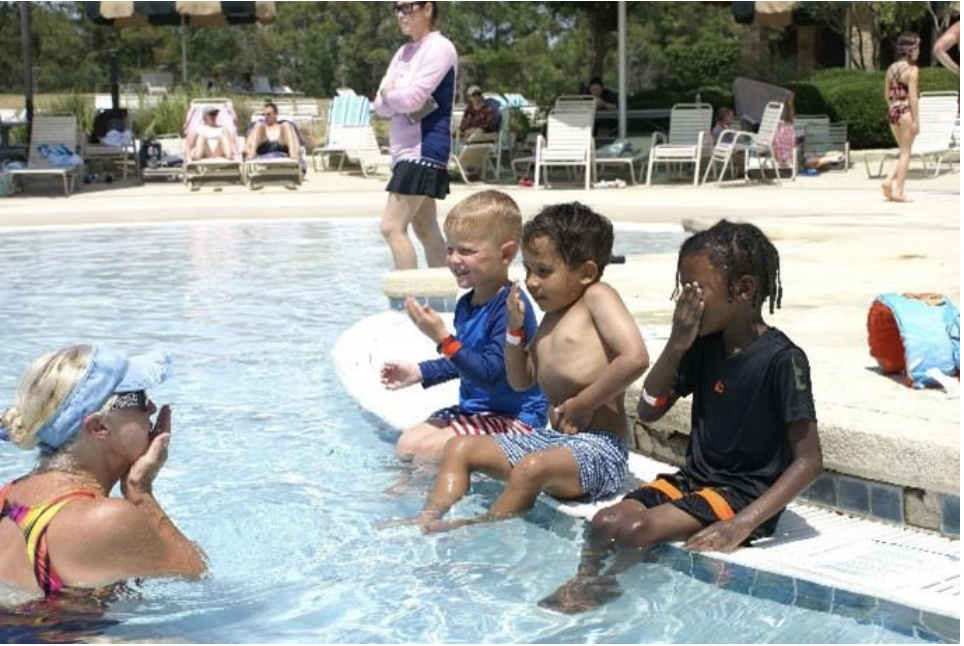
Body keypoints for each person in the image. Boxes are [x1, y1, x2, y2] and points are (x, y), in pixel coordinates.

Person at [540, 220, 823, 614]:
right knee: (605, 521)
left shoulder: (782, 359)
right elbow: (648, 410)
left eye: (696, 290)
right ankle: (587, 582)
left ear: (742, 289)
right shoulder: (700, 345)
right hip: (695, 480)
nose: (684, 303)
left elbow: (809, 462)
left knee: (636, 530)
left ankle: (606, 595)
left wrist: (741, 524)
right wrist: (676, 345)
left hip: (743, 494)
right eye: (682, 289)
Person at [383, 202, 650, 533]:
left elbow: (635, 357)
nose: (532, 282)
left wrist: (584, 404)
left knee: (530, 468)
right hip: (558, 444)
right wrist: (513, 331)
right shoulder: (551, 318)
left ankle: (479, 528)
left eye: (544, 271)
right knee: (459, 448)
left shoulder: (597, 297)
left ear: (585, 273)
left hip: (600, 451)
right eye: (529, 270)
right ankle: (428, 517)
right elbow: (520, 380)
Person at [0, 345, 205, 601]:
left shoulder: (7, 496)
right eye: (140, 398)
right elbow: (196, 579)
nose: (152, 408)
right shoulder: (106, 519)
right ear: (99, 427)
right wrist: (141, 493)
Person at [381, 190, 548, 461]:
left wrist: (442, 337)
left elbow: (490, 373)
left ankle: (425, 501)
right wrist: (419, 372)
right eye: (449, 249)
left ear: (505, 254)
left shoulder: (511, 307)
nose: (454, 259)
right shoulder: (467, 304)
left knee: (425, 452)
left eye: (466, 251)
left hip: (516, 420)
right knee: (407, 443)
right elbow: (466, 359)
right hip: (474, 411)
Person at [373, 1, 458, 270]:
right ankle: (445, 300)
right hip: (404, 153)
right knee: (426, 229)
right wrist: (391, 97)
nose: (400, 14)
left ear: (428, 8)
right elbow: (379, 105)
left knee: (391, 227)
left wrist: (392, 95)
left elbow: (410, 99)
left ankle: (405, 303)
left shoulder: (440, 48)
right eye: (396, 8)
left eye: (406, 7)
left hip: (422, 150)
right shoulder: (404, 52)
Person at [881, 33, 921, 203]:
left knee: (902, 150)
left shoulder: (891, 68)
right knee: (906, 153)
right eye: (918, 48)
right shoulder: (912, 70)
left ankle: (888, 180)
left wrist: (893, 106)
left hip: (893, 110)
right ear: (911, 50)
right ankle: (899, 191)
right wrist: (916, 121)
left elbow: (886, 94)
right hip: (905, 110)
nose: (919, 51)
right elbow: (913, 97)